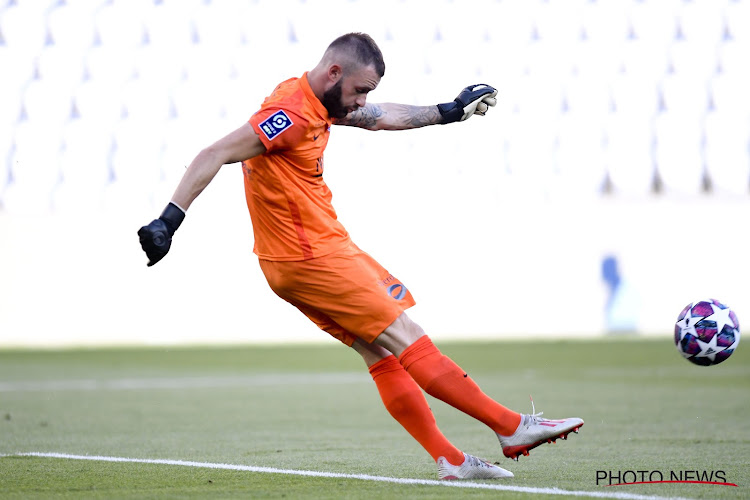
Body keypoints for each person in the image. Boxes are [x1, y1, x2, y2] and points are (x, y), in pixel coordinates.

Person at [138, 32, 583, 480]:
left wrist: (447, 112)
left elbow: (379, 116)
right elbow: (215, 153)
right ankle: (511, 427)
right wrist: (169, 219)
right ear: (335, 73)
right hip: (313, 256)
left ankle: (450, 459)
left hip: (291, 261)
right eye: (360, 90)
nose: (362, 101)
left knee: (381, 354)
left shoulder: (315, 100)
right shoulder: (289, 115)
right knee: (406, 335)